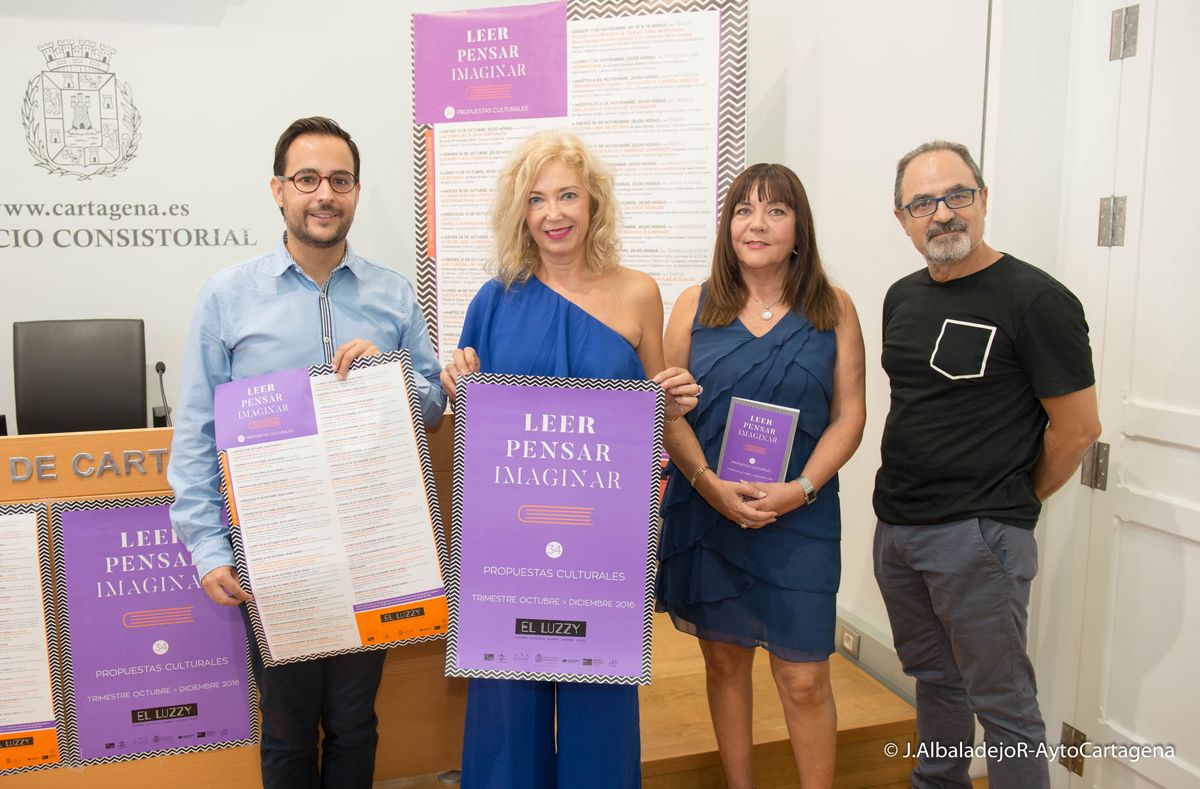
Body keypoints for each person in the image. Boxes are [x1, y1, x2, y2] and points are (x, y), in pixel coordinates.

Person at [168, 116, 446, 788]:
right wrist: (207, 547)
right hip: (275, 554)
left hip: (373, 548)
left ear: (356, 192)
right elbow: (197, 430)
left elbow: (433, 403)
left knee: (354, 724)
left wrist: (390, 374)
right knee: (288, 733)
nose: (325, 194)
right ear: (279, 190)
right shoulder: (227, 296)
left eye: (340, 181)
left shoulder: (392, 293)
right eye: (308, 179)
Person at [439, 129, 699, 789]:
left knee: (600, 708)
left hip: (603, 549)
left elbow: (656, 411)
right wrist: (458, 383)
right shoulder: (493, 300)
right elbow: (475, 425)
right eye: (536, 199)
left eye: (567, 196)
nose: (553, 213)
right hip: (511, 549)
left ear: (593, 204)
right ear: (520, 213)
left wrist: (674, 399)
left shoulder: (639, 293)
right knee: (507, 711)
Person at [874, 140, 1101, 789]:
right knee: (936, 681)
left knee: (1004, 705)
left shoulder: (1036, 299)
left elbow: (1079, 428)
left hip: (977, 537)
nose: (943, 213)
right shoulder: (901, 297)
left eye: (957, 195)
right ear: (902, 218)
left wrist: (1006, 504)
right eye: (923, 202)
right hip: (899, 531)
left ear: (982, 198)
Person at [656, 163, 866, 789]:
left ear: (799, 227)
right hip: (708, 510)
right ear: (728, 226)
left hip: (799, 516)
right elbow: (666, 410)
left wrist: (800, 490)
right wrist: (708, 485)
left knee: (804, 678)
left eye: (776, 210)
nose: (757, 224)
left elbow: (850, 416)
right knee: (724, 665)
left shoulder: (834, 308)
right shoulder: (693, 305)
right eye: (744, 210)